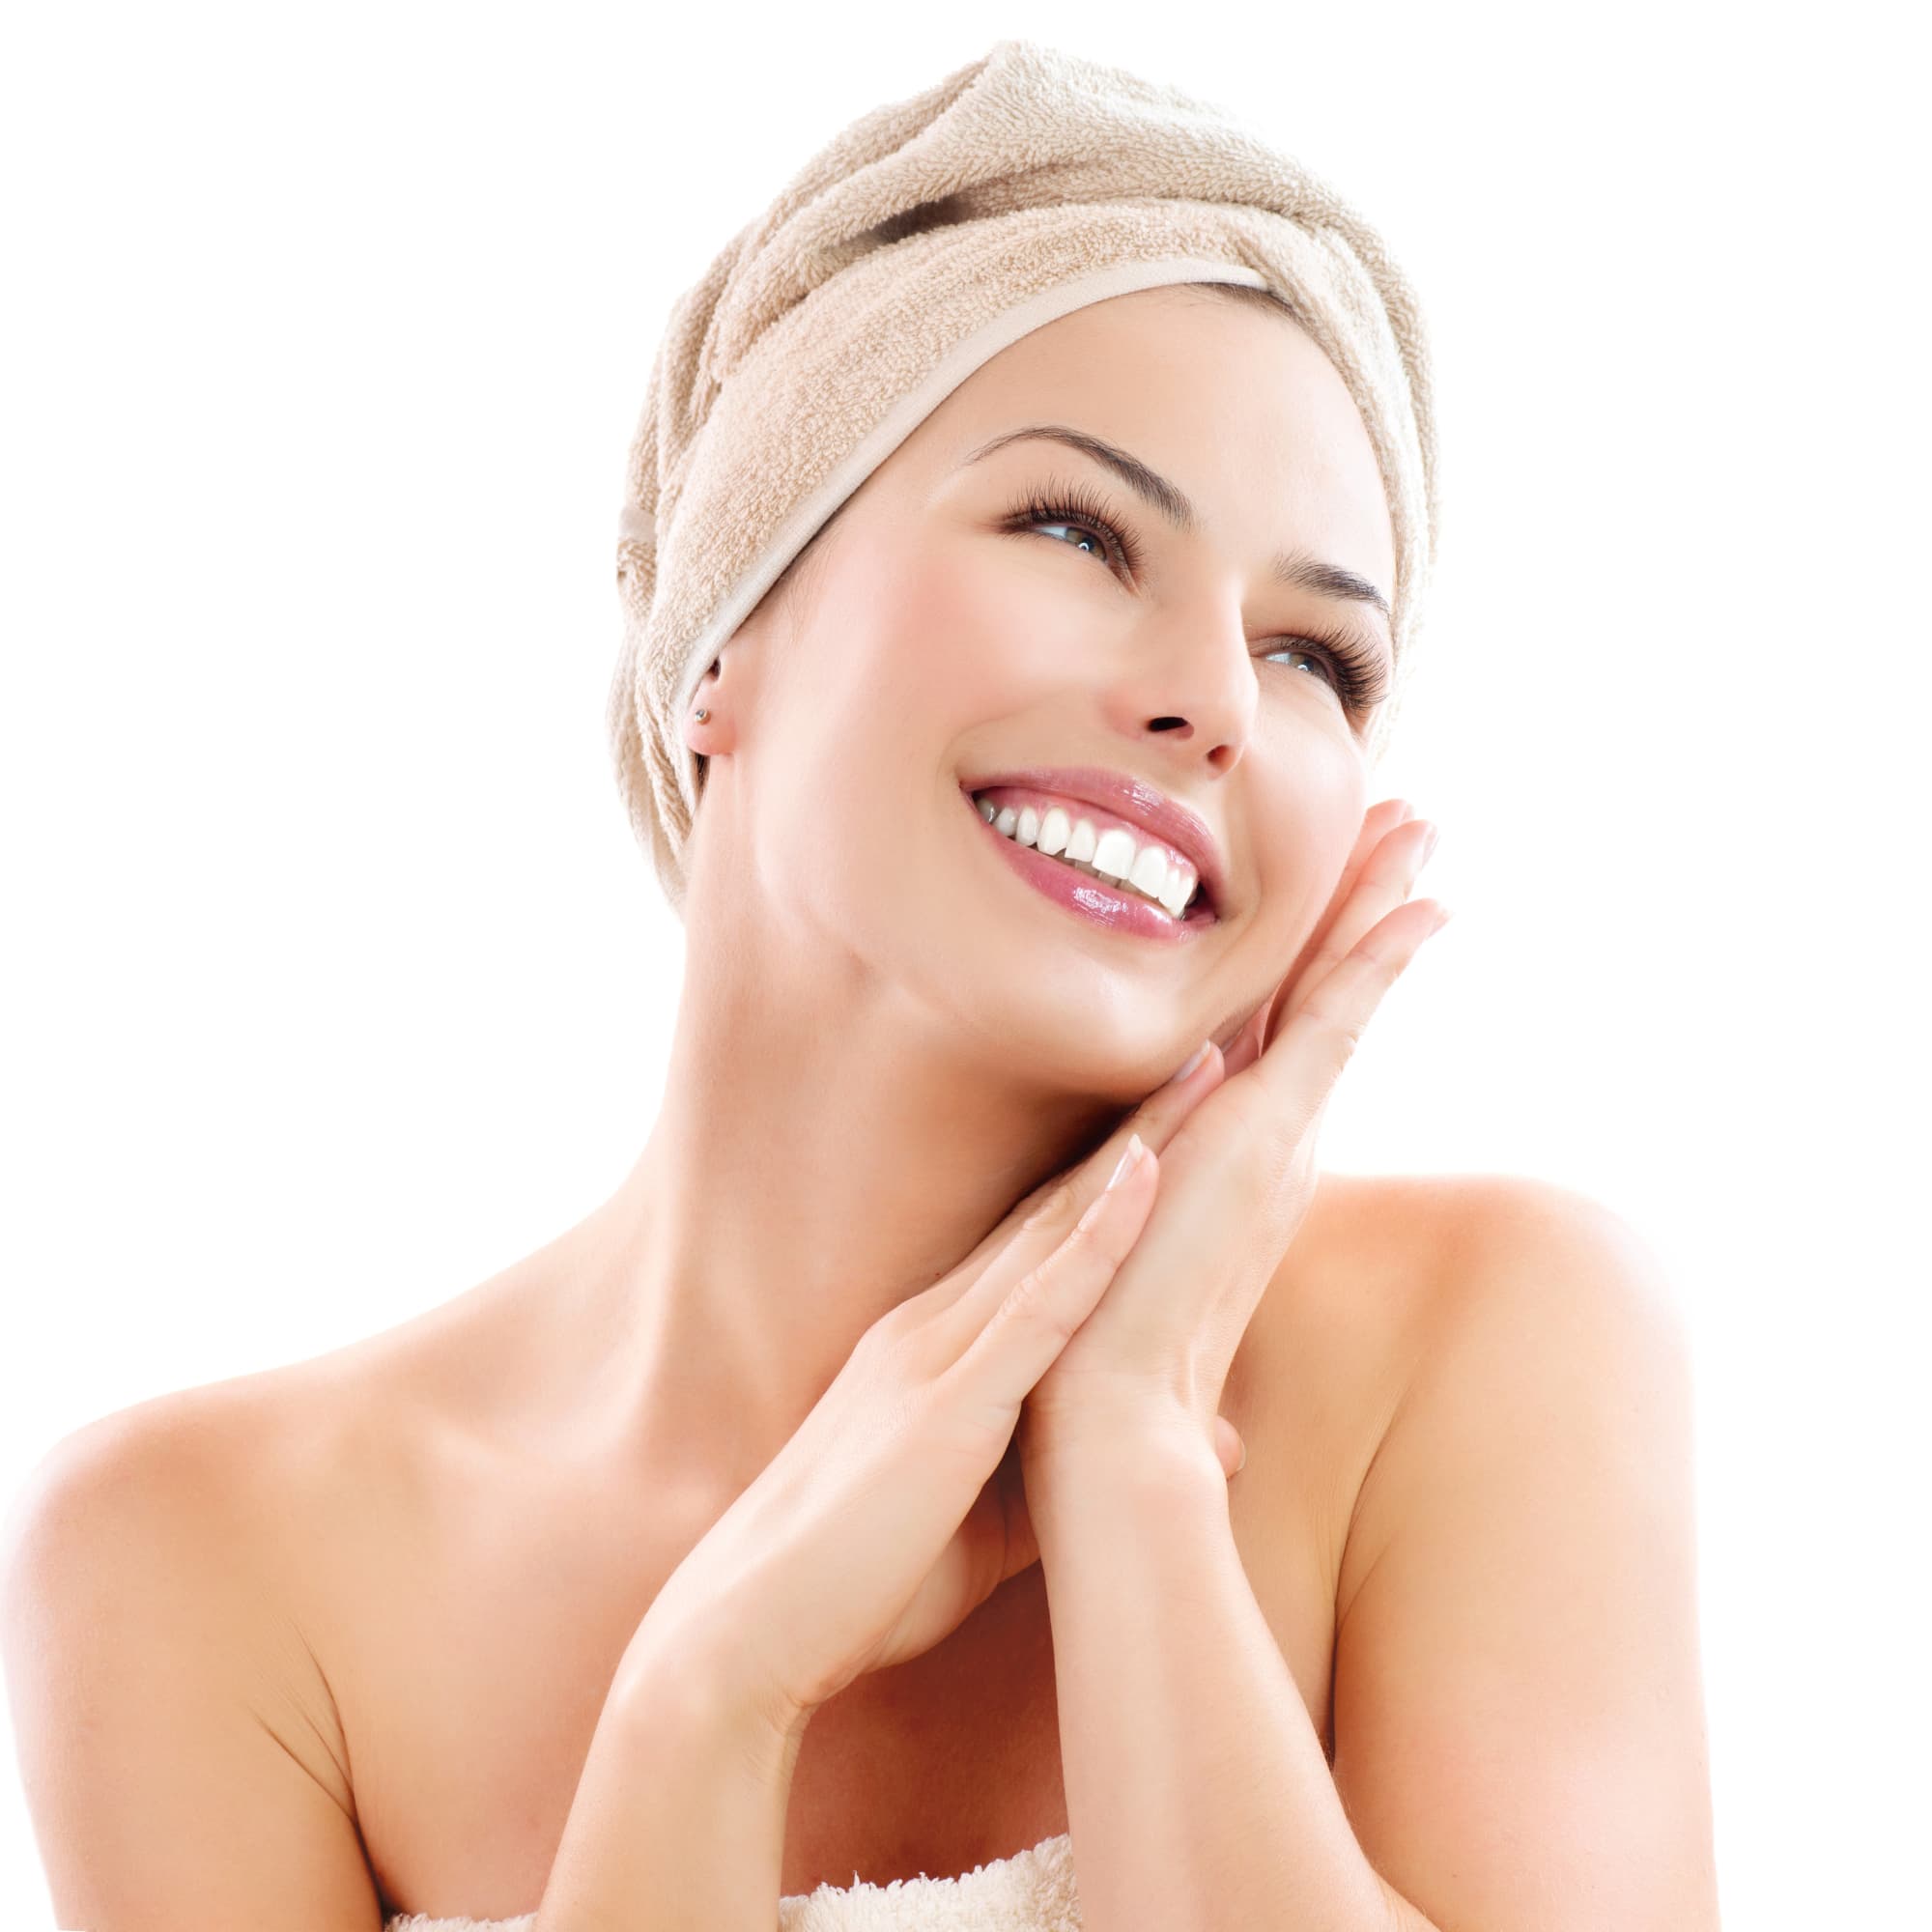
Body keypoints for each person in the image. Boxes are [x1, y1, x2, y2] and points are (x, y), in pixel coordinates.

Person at [1, 41, 1719, 1932]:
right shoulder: (198, 1560)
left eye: (1317, 652)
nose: (1217, 701)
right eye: (1075, 529)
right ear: (721, 639)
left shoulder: (1484, 1347)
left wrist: (1134, 1454)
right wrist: (705, 1697)